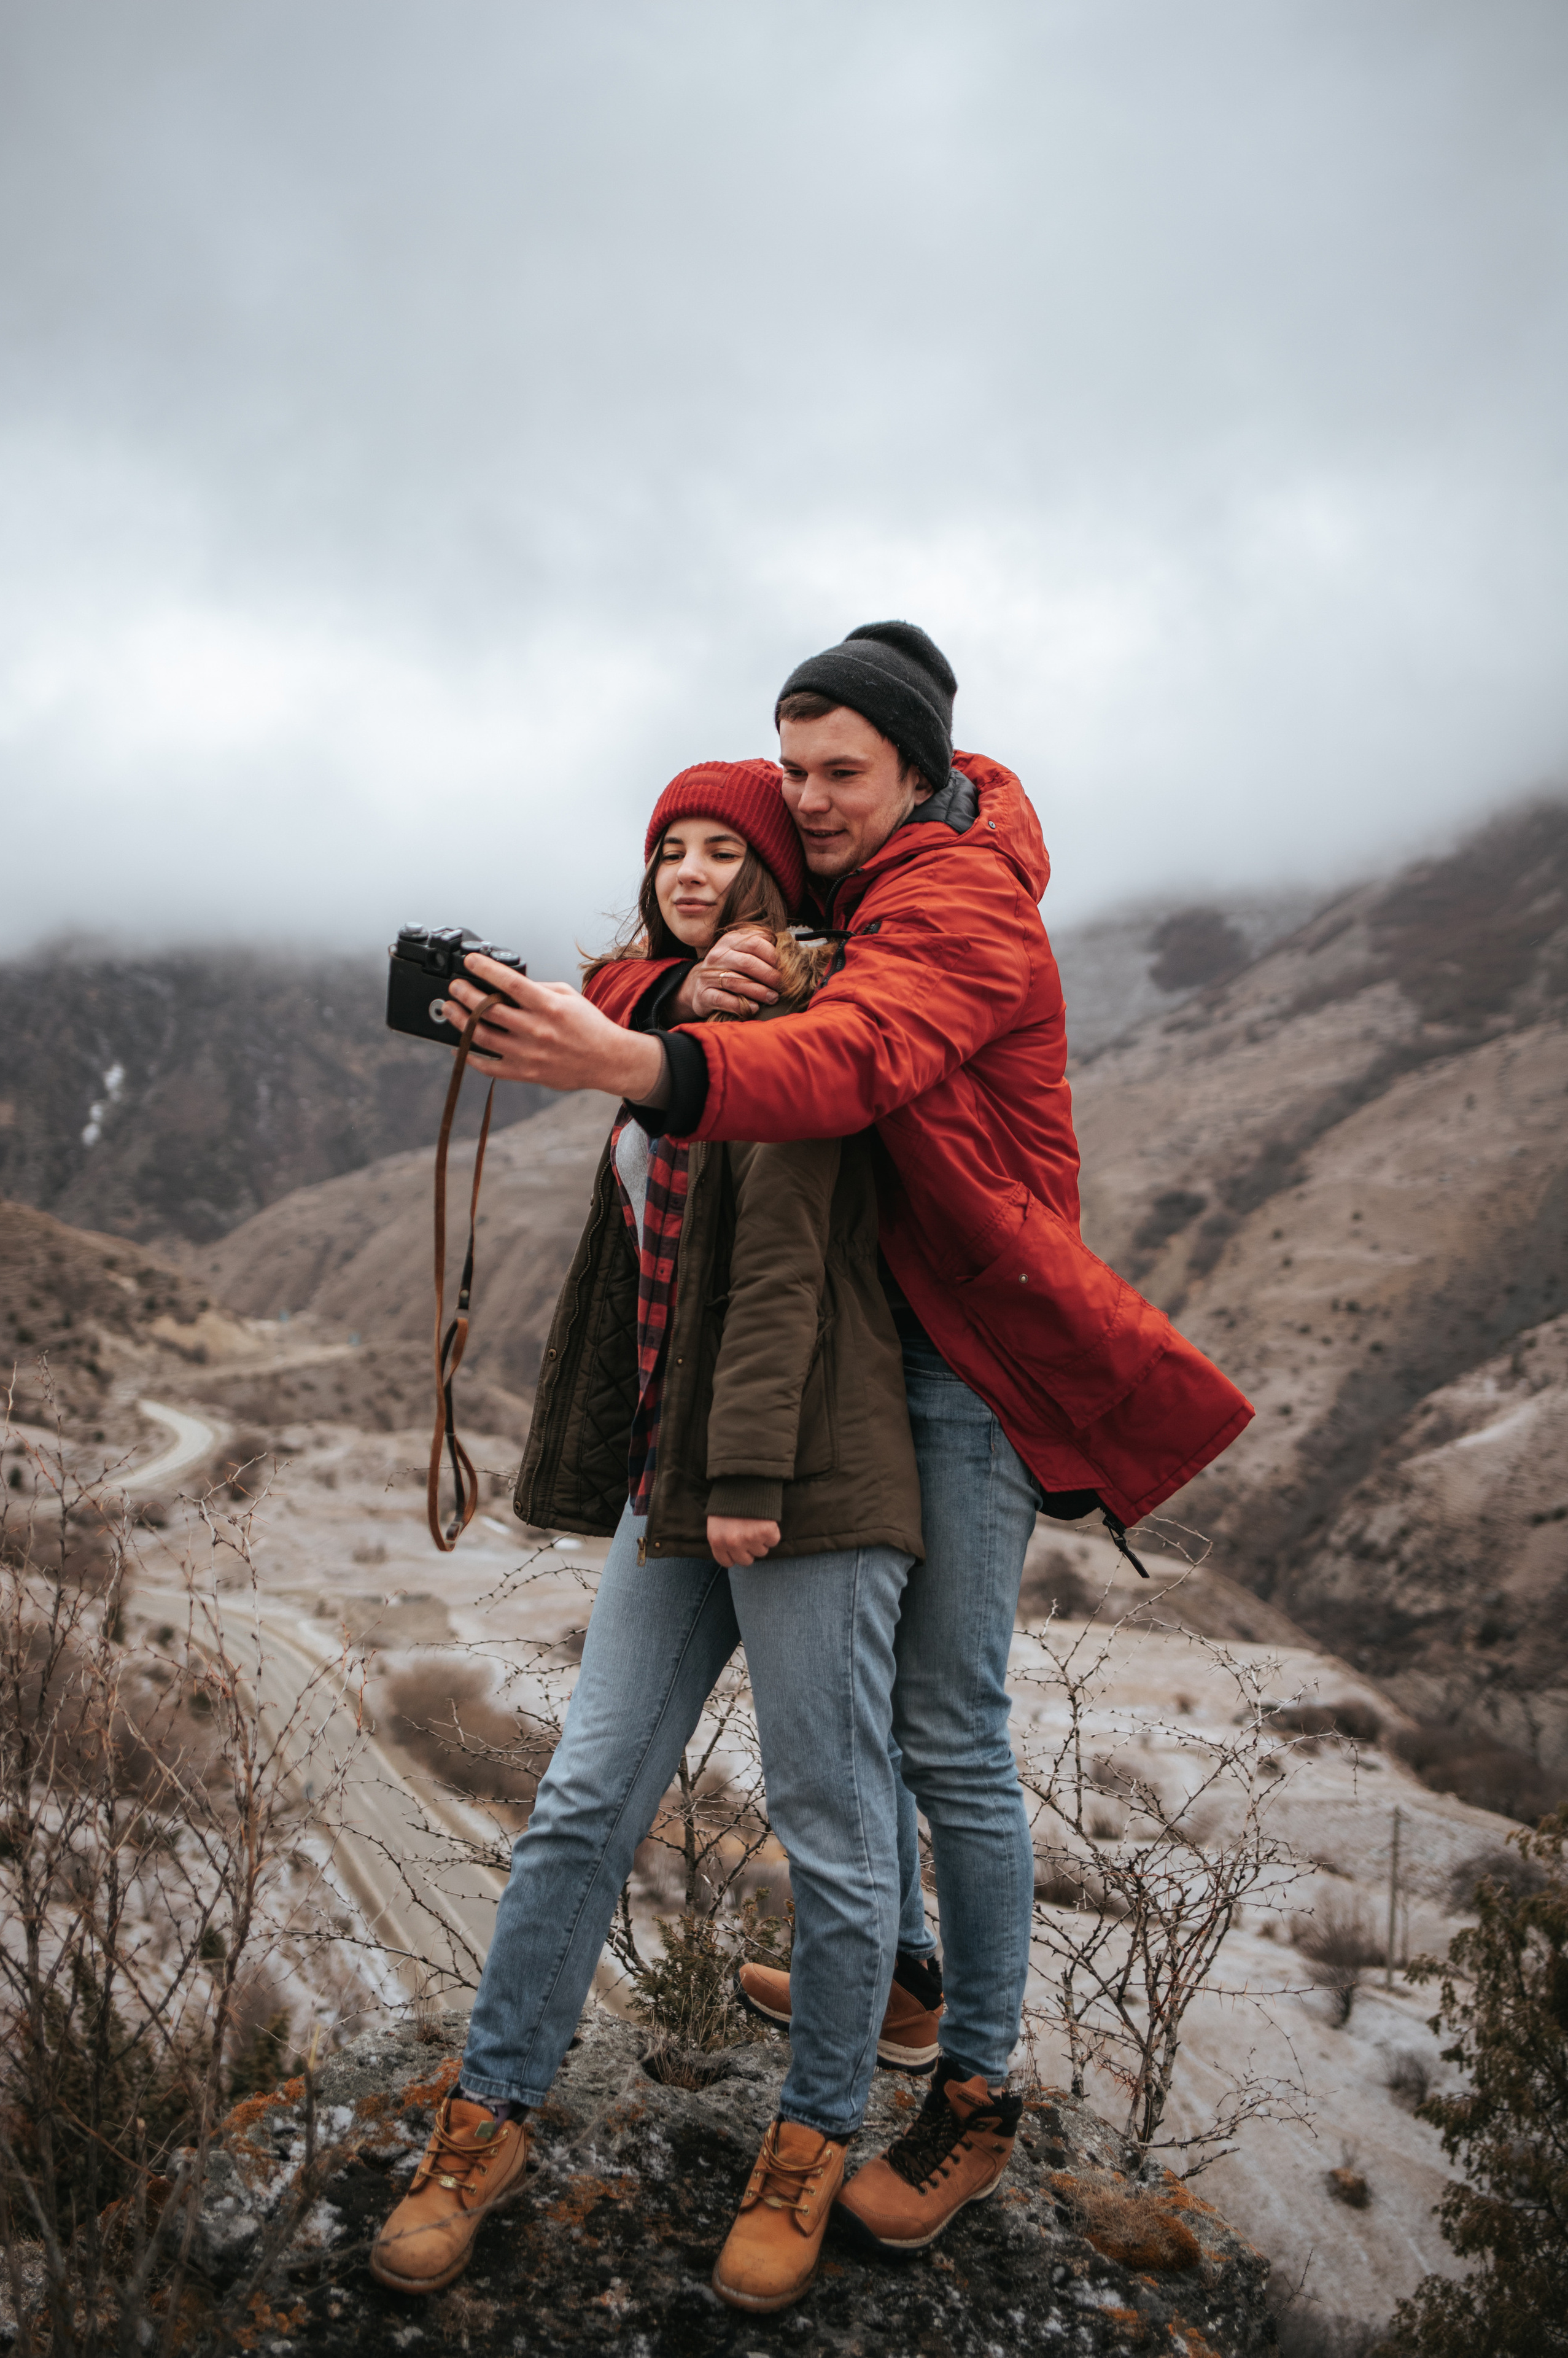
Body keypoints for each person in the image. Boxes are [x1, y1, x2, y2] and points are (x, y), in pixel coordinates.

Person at [440, 621, 1255, 2256]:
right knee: (862, 1739)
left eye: (838, 775)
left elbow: (846, 1058)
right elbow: (685, 930)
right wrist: (660, 989)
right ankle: (886, 1975)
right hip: (863, 1354)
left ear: (921, 769)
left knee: (947, 1732)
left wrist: (639, 1055)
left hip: (963, 1362)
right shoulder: (853, 884)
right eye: (792, 770)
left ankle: (973, 2094)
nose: (807, 801)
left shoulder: (953, 893)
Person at [372, 759, 936, 2319]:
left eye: (720, 849)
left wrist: (744, 1474)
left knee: (829, 1825)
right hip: (674, 1488)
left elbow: (784, 1269)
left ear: (769, 875)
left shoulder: (798, 1032)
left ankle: (811, 2142)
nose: (689, 868)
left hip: (805, 1480)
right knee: (580, 1801)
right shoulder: (668, 1028)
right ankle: (484, 2120)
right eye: (666, 850)